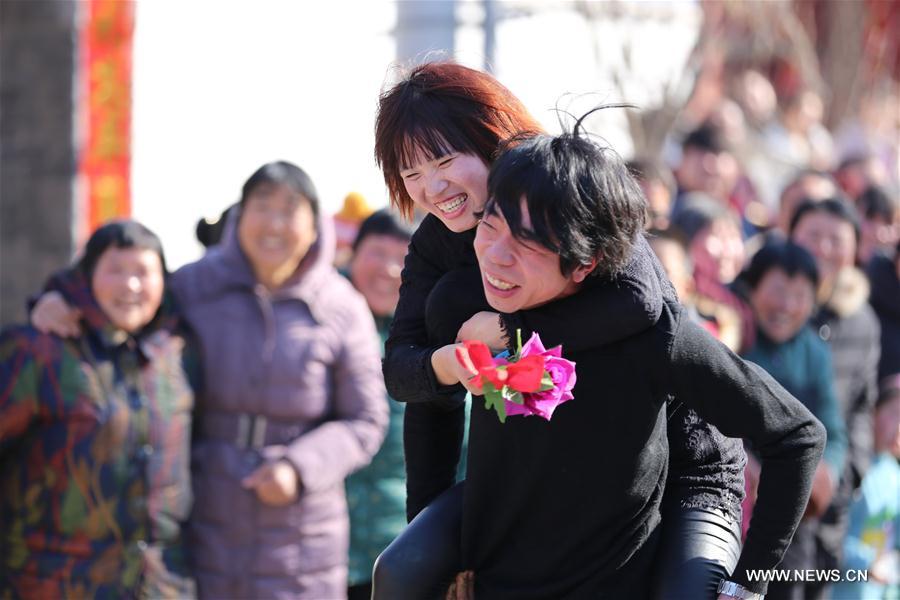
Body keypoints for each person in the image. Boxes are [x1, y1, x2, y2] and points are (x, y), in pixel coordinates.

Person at [371, 61, 747, 600]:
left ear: (493, 140)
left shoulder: (568, 187)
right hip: (534, 477)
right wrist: (445, 365)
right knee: (404, 570)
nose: (432, 187)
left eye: (445, 160)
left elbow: (640, 302)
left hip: (679, 465)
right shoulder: (437, 244)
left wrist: (506, 329)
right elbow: (405, 369)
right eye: (411, 174)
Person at [416, 126, 823, 597]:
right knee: (401, 568)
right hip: (502, 574)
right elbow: (428, 405)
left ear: (586, 262)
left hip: (629, 570)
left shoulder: (650, 336)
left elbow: (798, 434)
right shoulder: (461, 306)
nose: (497, 257)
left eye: (528, 244)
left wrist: (749, 585)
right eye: (491, 226)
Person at [29, 162, 389, 599]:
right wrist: (55, 298)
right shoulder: (194, 285)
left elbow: (366, 419)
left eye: (290, 210)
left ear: (315, 227)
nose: (274, 223)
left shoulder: (341, 307)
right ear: (239, 216)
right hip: (202, 508)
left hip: (300, 529)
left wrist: (300, 467)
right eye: (262, 206)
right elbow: (122, 298)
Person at [0, 220, 196, 598]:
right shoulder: (39, 352)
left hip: (157, 586)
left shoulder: (178, 355)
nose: (131, 286)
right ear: (86, 276)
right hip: (53, 585)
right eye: (116, 270)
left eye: (143, 272)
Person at [738, 239, 848, 600]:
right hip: (737, 503)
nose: (786, 305)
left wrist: (823, 474)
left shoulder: (814, 352)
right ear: (752, 289)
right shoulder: (735, 338)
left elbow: (833, 428)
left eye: (800, 295)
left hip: (793, 514)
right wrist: (747, 465)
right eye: (778, 291)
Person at [790, 197, 882, 597]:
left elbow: (862, 404)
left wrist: (852, 472)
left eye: (836, 239)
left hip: (831, 501)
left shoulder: (862, 321)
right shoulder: (769, 301)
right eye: (813, 235)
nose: (824, 248)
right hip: (768, 490)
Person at [343, 209, 415, 600]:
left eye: (401, 258)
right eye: (377, 253)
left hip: (398, 545)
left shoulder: (425, 328)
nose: (389, 269)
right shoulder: (317, 320)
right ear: (351, 254)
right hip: (322, 544)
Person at [834, 377, 900, 599]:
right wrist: (866, 564)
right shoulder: (853, 467)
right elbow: (831, 537)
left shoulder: (895, 476)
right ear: (873, 411)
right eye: (894, 414)